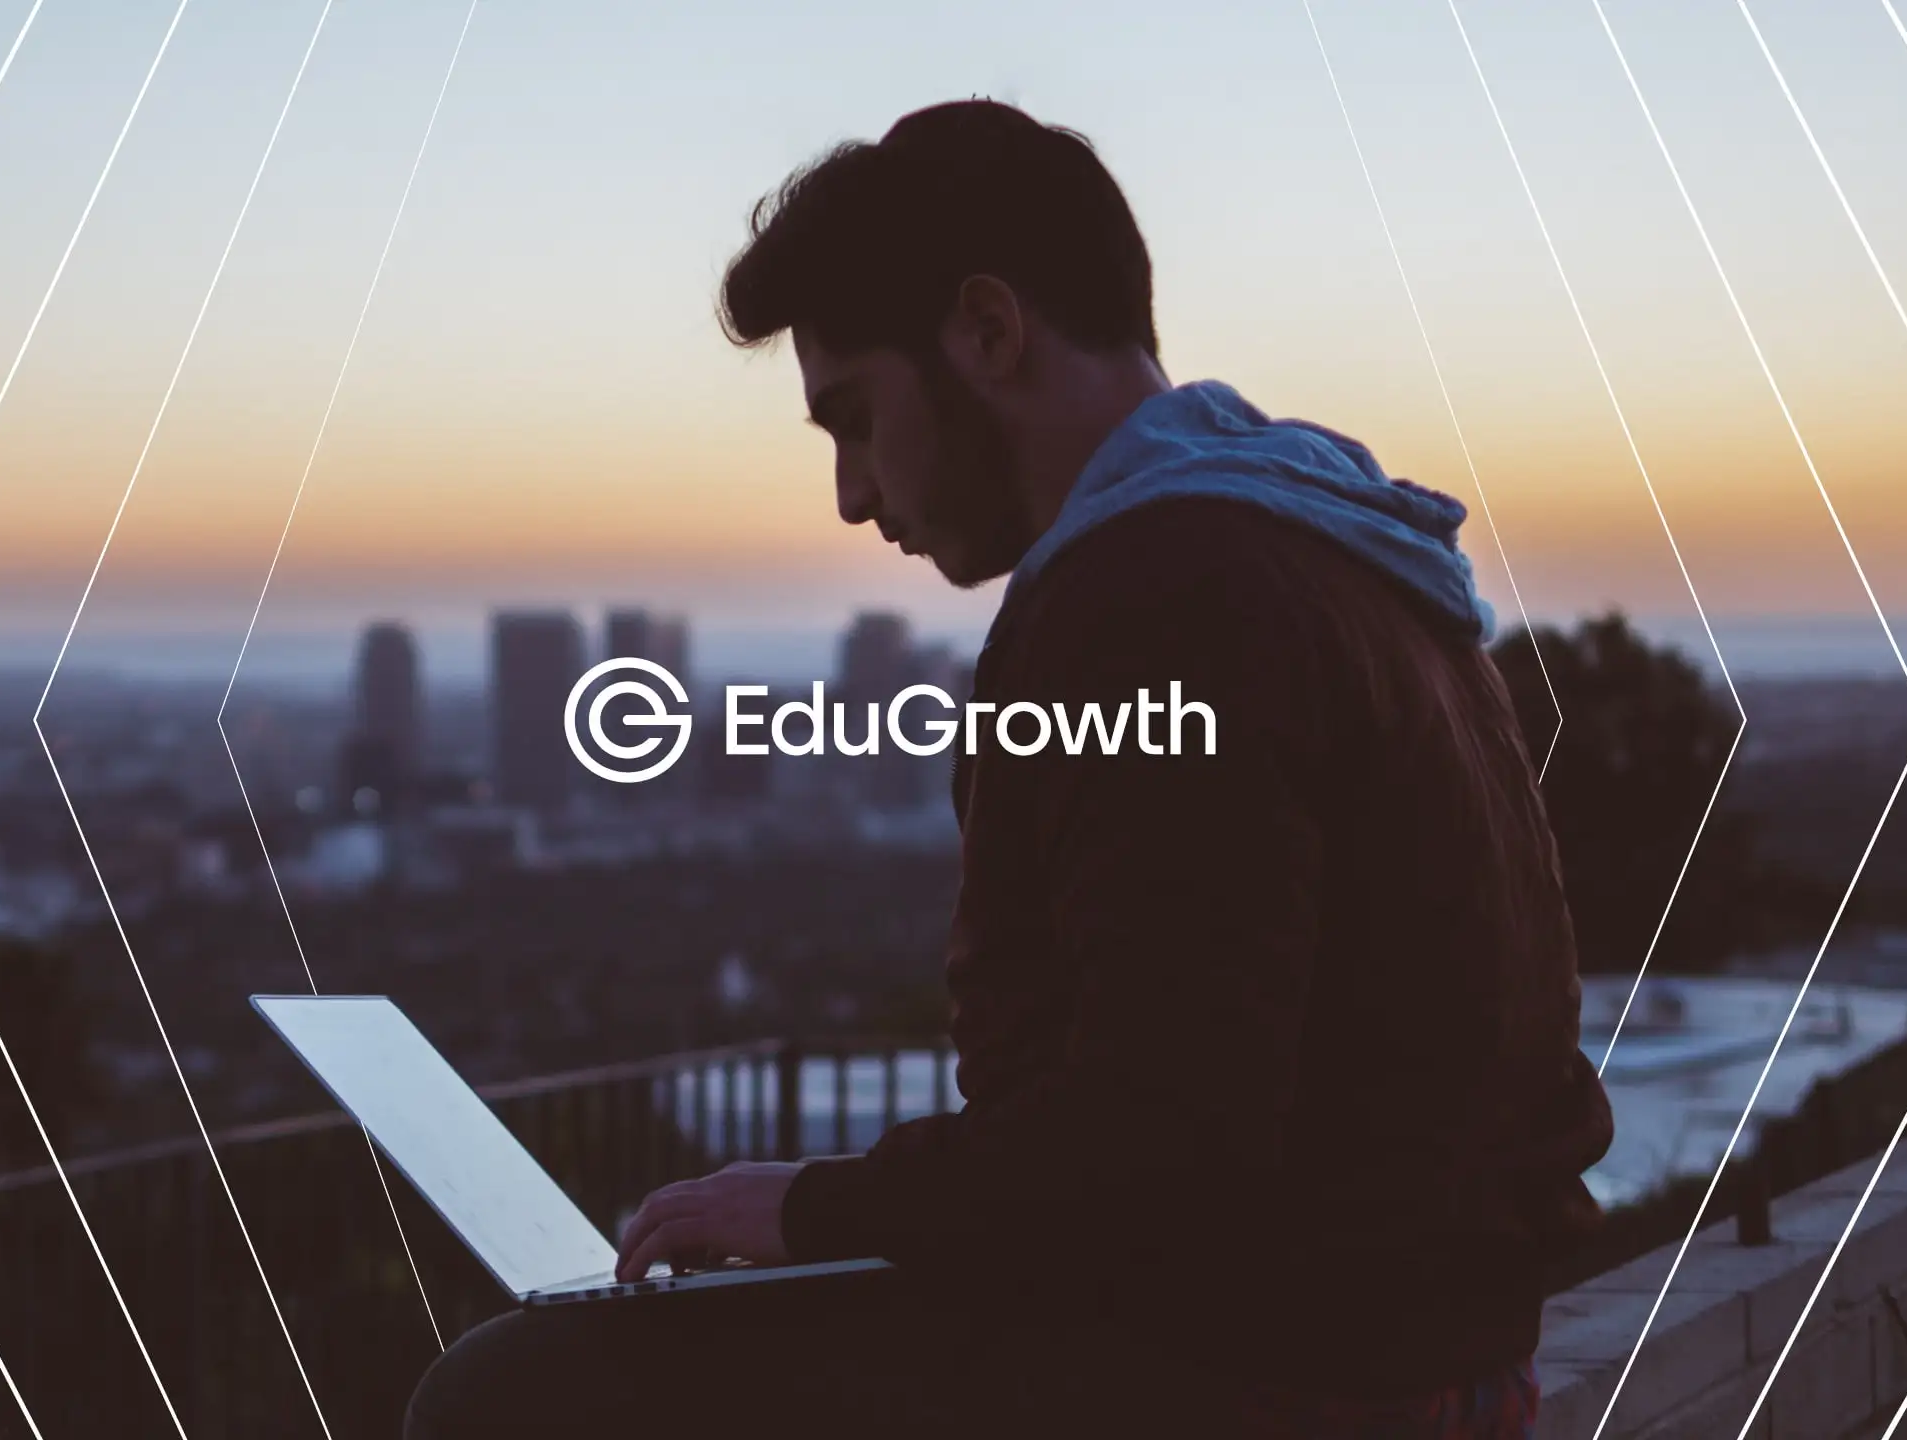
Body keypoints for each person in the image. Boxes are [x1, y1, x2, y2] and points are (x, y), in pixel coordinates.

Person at [405, 98, 1611, 1440]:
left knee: (507, 1395)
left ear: (987, 330)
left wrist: (814, 1209)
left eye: (854, 418)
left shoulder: (1159, 594)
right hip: (1433, 1352)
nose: (856, 496)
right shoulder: (1344, 554)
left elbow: (1169, 1137)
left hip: (1266, 1376)